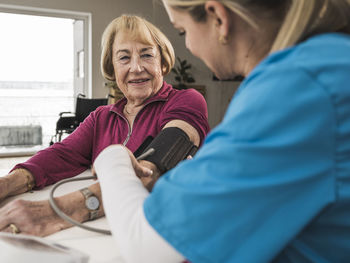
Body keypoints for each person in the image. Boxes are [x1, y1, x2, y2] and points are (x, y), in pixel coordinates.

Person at [93, 0, 350, 262]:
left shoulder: (299, 88)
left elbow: (145, 247)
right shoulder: (327, 63)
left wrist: (113, 158)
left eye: (183, 31)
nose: (189, 45)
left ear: (218, 18)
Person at [0, 15, 209, 237]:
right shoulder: (101, 117)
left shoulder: (187, 100)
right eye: (124, 58)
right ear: (112, 67)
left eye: (147, 55)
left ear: (163, 62)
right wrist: (7, 183)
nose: (136, 68)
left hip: (161, 234)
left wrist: (60, 210)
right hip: (104, 229)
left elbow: (158, 163)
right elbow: (60, 154)